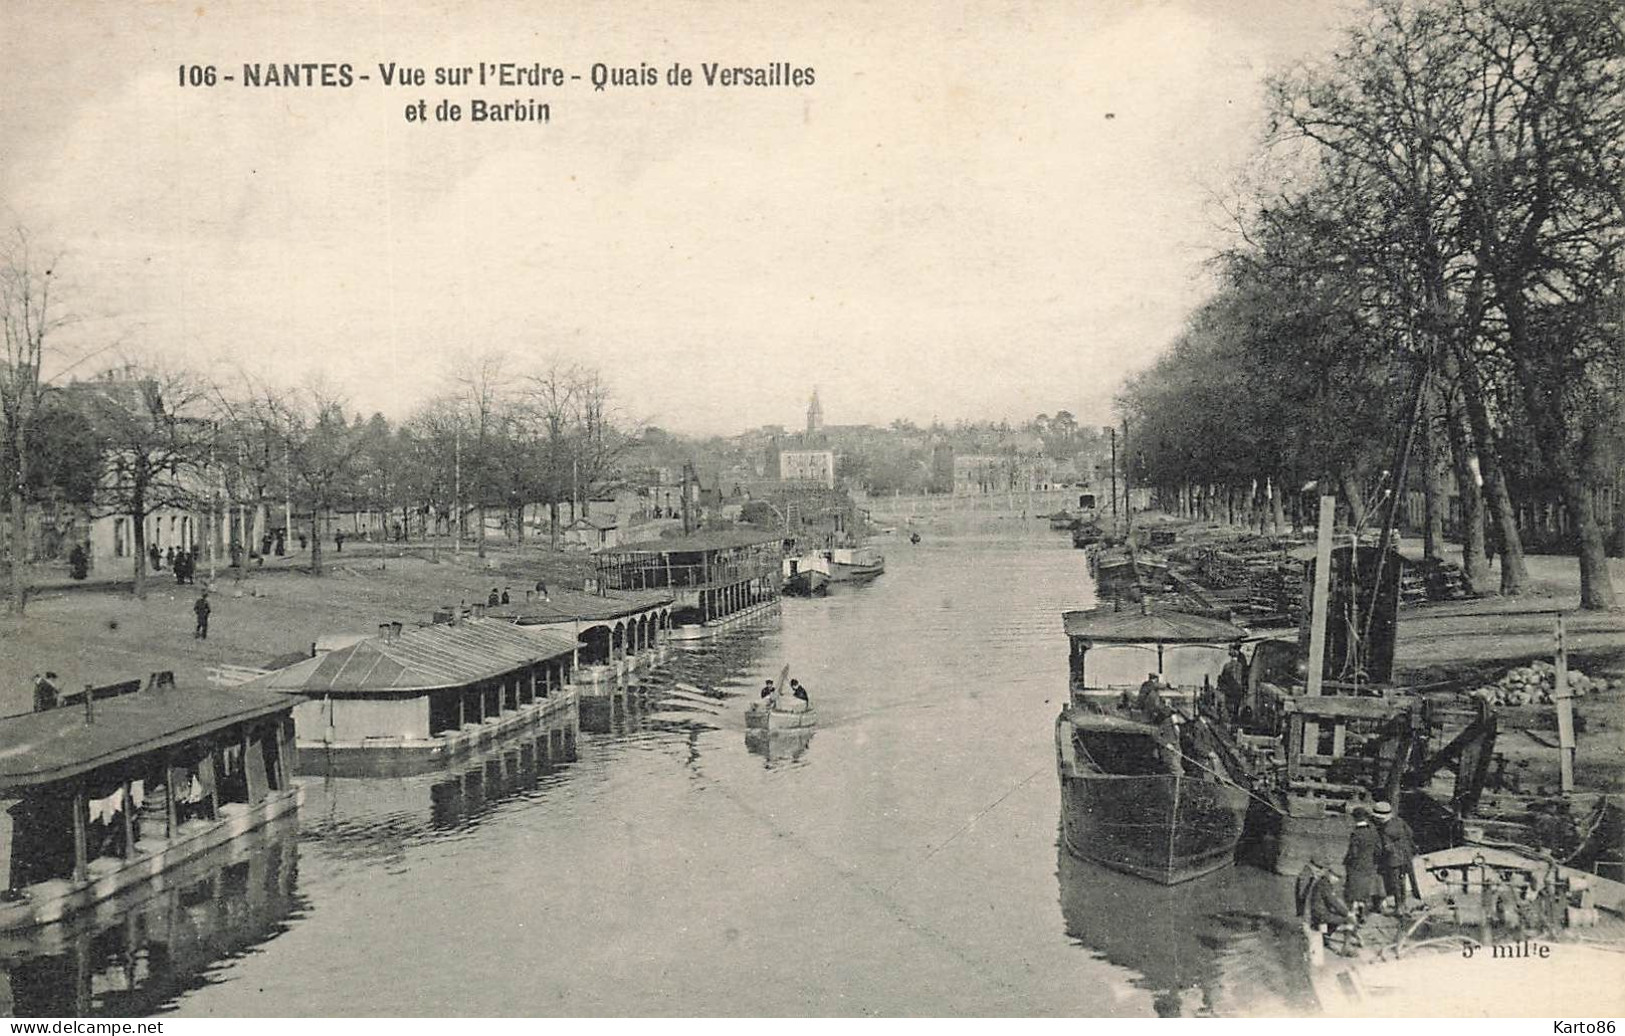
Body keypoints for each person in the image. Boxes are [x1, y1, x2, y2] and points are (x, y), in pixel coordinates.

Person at [1374, 801, 1419, 911]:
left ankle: (1398, 906)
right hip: (1406, 855)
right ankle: (1403, 904)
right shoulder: (1400, 821)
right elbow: (1410, 833)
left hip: (1393, 859)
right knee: (1402, 880)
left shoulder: (1385, 830)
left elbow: (1387, 847)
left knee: (1395, 883)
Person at [1344, 806, 1384, 919]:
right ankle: (1362, 910)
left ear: (1355, 818)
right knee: (1364, 889)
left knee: (1353, 889)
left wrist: (1349, 861)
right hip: (1369, 863)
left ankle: (1354, 913)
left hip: (1356, 865)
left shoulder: (1356, 833)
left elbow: (1353, 852)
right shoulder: (1373, 831)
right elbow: (1378, 849)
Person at [1218, 646, 1247, 721]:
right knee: (1236, 706)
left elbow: (1223, 678)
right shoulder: (1240, 666)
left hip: (1229, 690)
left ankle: (1229, 720)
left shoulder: (1227, 666)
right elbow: (1244, 677)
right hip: (1238, 690)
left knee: (1228, 706)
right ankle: (1235, 718)